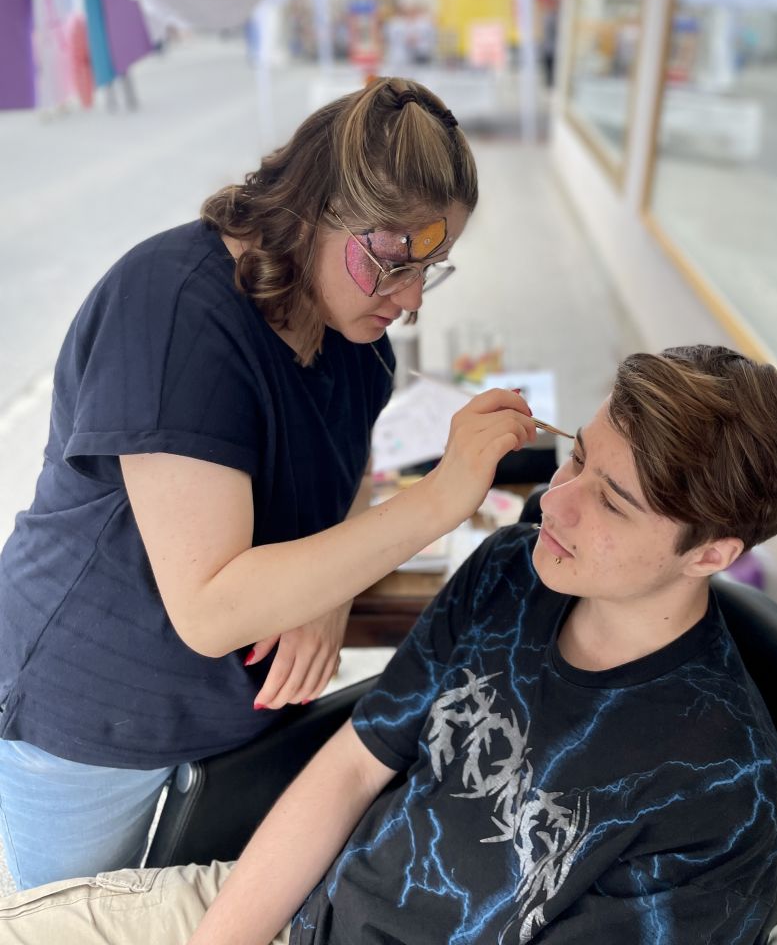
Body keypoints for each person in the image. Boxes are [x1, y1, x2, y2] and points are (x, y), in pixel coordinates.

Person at [0, 345, 777, 943]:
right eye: (576, 459)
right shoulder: (513, 570)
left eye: (613, 502)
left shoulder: (719, 796)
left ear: (711, 555)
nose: (555, 503)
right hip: (292, 909)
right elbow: (351, 767)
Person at [0, 76, 539, 890]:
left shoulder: (354, 333)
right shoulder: (175, 313)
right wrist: (438, 498)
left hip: (230, 715)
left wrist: (327, 596)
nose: (411, 300)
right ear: (314, 209)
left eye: (431, 269)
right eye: (394, 263)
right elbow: (213, 609)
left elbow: (347, 470)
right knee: (78, 924)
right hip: (92, 713)